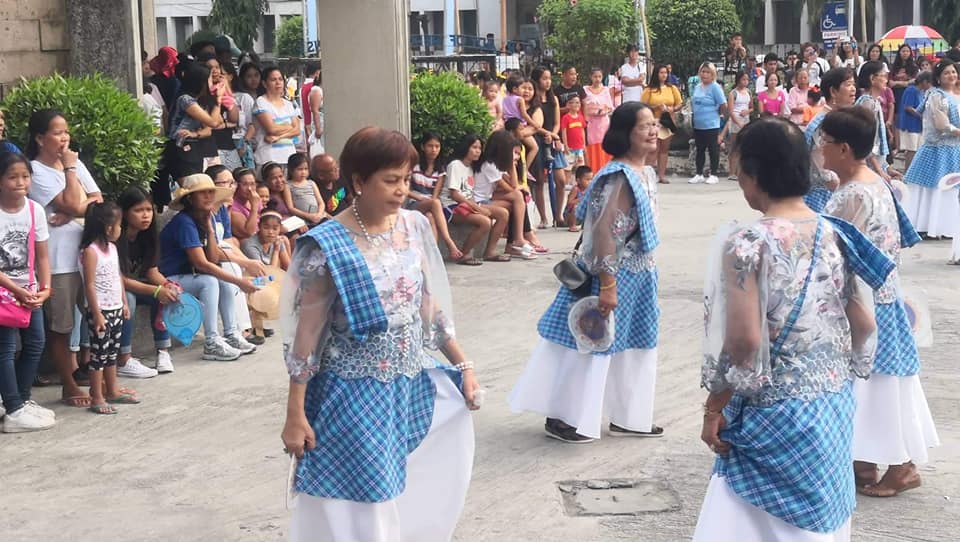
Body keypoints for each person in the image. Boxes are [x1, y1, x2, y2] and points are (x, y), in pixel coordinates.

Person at [692, 115, 888, 542]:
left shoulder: (748, 243)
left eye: (740, 169)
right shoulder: (837, 234)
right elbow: (865, 323)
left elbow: (744, 342)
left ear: (756, 173)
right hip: (831, 407)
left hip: (772, 415)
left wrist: (714, 407)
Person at [280, 126, 480, 541]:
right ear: (358, 182)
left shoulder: (412, 227)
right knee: (361, 495)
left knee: (403, 484)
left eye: (406, 180)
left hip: (407, 384)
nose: (401, 190)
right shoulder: (326, 245)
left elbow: (427, 306)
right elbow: (307, 338)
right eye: (390, 180)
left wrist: (462, 364)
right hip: (350, 391)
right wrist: (295, 413)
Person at [509, 102, 664, 443]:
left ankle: (630, 415)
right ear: (626, 134)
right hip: (612, 275)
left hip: (640, 273)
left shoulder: (644, 172)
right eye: (645, 126)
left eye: (654, 124)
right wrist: (608, 283)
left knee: (634, 345)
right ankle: (564, 416)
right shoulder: (617, 177)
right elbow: (604, 231)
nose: (653, 131)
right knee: (589, 344)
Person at [820, 107, 940, 498]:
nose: (818, 148)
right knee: (873, 387)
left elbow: (834, 254)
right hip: (883, 296)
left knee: (879, 387)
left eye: (824, 142)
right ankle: (865, 461)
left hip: (865, 303)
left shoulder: (852, 193)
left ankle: (901, 466)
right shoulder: (875, 182)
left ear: (842, 148)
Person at [27, 110, 109, 407]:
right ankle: (69, 384)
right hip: (59, 261)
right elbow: (77, 202)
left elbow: (97, 201)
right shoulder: (35, 171)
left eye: (66, 132)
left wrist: (75, 208)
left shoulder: (74, 162)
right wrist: (71, 176)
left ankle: (103, 382)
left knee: (98, 318)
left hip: (85, 255)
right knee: (60, 326)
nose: (64, 138)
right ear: (39, 138)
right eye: (57, 132)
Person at [158, 173, 258, 361]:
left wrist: (210, 231)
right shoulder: (184, 221)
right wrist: (240, 281)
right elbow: (201, 263)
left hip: (189, 276)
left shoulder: (206, 217)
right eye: (202, 193)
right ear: (189, 198)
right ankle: (211, 341)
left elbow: (211, 257)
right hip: (170, 278)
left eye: (211, 192)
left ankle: (231, 334)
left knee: (223, 282)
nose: (209, 197)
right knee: (210, 282)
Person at [0, 152, 54, 432]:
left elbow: (42, 256)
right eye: (12, 177)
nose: (20, 182)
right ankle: (13, 407)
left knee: (35, 343)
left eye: (25, 176)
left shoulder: (35, 210)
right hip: (4, 293)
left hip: (29, 290)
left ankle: (20, 399)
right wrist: (15, 290)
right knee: (6, 348)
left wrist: (45, 289)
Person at [80, 201, 140, 415]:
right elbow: (89, 284)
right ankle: (96, 395)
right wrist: (96, 314)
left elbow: (118, 278)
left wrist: (124, 301)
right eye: (119, 224)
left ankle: (112, 390)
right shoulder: (91, 252)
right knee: (99, 355)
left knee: (111, 353)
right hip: (101, 312)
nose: (121, 229)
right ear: (107, 227)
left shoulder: (112, 249)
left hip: (115, 308)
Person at [116, 186, 178, 375]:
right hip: (116, 289)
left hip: (139, 284)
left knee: (166, 295)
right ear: (124, 213)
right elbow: (120, 280)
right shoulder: (115, 237)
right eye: (138, 210)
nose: (145, 216)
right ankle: (124, 359)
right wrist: (156, 290)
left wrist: (167, 285)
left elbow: (152, 271)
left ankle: (162, 351)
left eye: (149, 210)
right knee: (130, 299)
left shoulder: (149, 235)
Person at [904, 59, 960, 240]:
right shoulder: (936, 95)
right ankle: (929, 225)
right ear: (938, 77)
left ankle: (947, 225)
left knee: (950, 188)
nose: (951, 75)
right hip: (938, 149)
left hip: (954, 148)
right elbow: (941, 123)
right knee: (936, 187)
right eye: (946, 73)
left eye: (953, 72)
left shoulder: (956, 94)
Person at [443, 134, 511, 265]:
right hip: (451, 206)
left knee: (503, 213)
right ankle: (464, 254)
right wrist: (478, 208)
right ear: (466, 148)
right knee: (485, 222)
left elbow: (469, 193)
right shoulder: (455, 165)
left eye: (480, 148)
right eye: (474, 147)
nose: (478, 151)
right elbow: (454, 195)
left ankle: (489, 252)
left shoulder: (470, 168)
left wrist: (477, 207)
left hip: (467, 204)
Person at [474, 130, 537, 260]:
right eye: (511, 151)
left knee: (516, 200)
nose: (513, 155)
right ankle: (517, 239)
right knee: (516, 198)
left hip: (487, 198)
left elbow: (512, 185)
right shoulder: (489, 165)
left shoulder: (496, 165)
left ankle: (514, 241)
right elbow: (511, 188)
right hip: (478, 201)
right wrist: (511, 166)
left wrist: (511, 166)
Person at [804, 67, 858, 212]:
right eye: (847, 85)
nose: (853, 89)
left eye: (853, 84)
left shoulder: (837, 118)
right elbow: (821, 168)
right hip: (821, 197)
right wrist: (844, 187)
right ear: (833, 91)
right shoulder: (822, 123)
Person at [166, 61, 225, 188]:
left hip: (193, 147)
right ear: (201, 82)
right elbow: (213, 122)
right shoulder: (185, 99)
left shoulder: (197, 100)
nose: (211, 82)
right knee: (191, 188)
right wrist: (218, 101)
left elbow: (215, 123)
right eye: (209, 79)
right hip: (179, 148)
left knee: (198, 186)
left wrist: (195, 133)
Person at [532, 66, 564, 227]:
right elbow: (534, 124)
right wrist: (547, 134)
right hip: (538, 140)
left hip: (553, 140)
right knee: (539, 180)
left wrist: (553, 135)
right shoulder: (533, 99)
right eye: (544, 78)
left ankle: (558, 216)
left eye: (549, 78)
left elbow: (557, 122)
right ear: (537, 80)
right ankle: (543, 217)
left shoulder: (554, 99)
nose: (548, 82)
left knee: (561, 180)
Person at [641, 64, 682, 184]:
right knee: (653, 149)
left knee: (664, 149)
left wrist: (672, 109)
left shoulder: (672, 88)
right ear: (656, 74)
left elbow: (679, 103)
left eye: (665, 73)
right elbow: (643, 105)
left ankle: (662, 175)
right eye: (661, 72)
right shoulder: (649, 89)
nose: (664, 75)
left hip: (667, 121)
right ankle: (648, 174)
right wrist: (656, 107)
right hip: (654, 121)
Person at [253, 67, 300, 171]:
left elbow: (297, 130)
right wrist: (289, 126)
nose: (278, 83)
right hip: (268, 158)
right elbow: (271, 129)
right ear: (265, 84)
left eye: (280, 79)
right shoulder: (261, 102)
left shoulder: (288, 104)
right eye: (273, 80)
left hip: (289, 157)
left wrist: (278, 137)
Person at [855, 61, 896, 180]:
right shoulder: (867, 103)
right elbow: (865, 140)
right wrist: (879, 170)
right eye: (883, 76)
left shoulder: (874, 101)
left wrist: (886, 168)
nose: (886, 79)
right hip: (869, 164)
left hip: (877, 161)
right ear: (872, 78)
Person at [690, 62, 728, 185]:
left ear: (712, 75)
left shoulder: (715, 87)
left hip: (711, 123)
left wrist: (720, 114)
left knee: (712, 149)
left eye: (707, 72)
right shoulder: (697, 87)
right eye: (703, 71)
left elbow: (723, 104)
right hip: (698, 123)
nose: (704, 74)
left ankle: (714, 174)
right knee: (699, 149)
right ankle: (699, 173)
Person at [719, 71, 753, 180]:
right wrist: (738, 122)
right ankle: (732, 172)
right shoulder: (733, 93)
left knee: (744, 147)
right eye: (743, 79)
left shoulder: (748, 92)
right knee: (735, 147)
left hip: (745, 119)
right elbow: (731, 110)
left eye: (747, 80)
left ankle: (741, 171)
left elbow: (752, 107)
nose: (745, 82)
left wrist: (747, 111)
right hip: (735, 121)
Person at [501, 75, 539, 170]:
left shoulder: (505, 99)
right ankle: (525, 170)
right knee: (534, 148)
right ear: (514, 89)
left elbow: (503, 113)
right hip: (518, 124)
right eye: (522, 87)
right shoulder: (519, 99)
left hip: (509, 125)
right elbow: (524, 115)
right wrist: (534, 124)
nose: (524, 91)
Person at [897, 71, 931, 173]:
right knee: (911, 150)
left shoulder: (921, 92)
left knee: (917, 149)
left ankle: (914, 172)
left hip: (917, 125)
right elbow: (908, 107)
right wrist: (921, 116)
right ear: (924, 82)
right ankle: (908, 172)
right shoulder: (911, 90)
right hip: (910, 124)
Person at [282, 153, 325, 227]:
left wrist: (319, 214)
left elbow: (321, 203)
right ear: (291, 170)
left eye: (306, 169)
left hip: (318, 217)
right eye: (300, 169)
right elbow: (291, 208)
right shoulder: (288, 186)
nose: (303, 172)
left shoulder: (311, 183)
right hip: (303, 220)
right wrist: (308, 216)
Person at [228, 167, 262, 241]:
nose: (249, 188)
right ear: (236, 185)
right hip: (248, 242)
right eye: (245, 184)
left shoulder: (255, 198)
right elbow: (249, 232)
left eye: (252, 184)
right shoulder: (232, 205)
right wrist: (254, 207)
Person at [560, 96, 587, 169]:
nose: (577, 105)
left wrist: (584, 144)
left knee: (580, 168)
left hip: (579, 148)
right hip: (570, 148)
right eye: (575, 102)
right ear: (568, 104)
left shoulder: (581, 117)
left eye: (578, 102)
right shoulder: (566, 118)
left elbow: (582, 130)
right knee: (568, 168)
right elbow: (564, 132)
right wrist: (565, 145)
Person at [563, 165, 592, 231]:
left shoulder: (589, 189)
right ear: (578, 180)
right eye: (587, 179)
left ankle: (585, 225)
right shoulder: (576, 189)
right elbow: (569, 203)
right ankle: (572, 225)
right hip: (570, 215)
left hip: (580, 215)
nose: (590, 182)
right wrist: (581, 199)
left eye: (591, 179)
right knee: (575, 206)